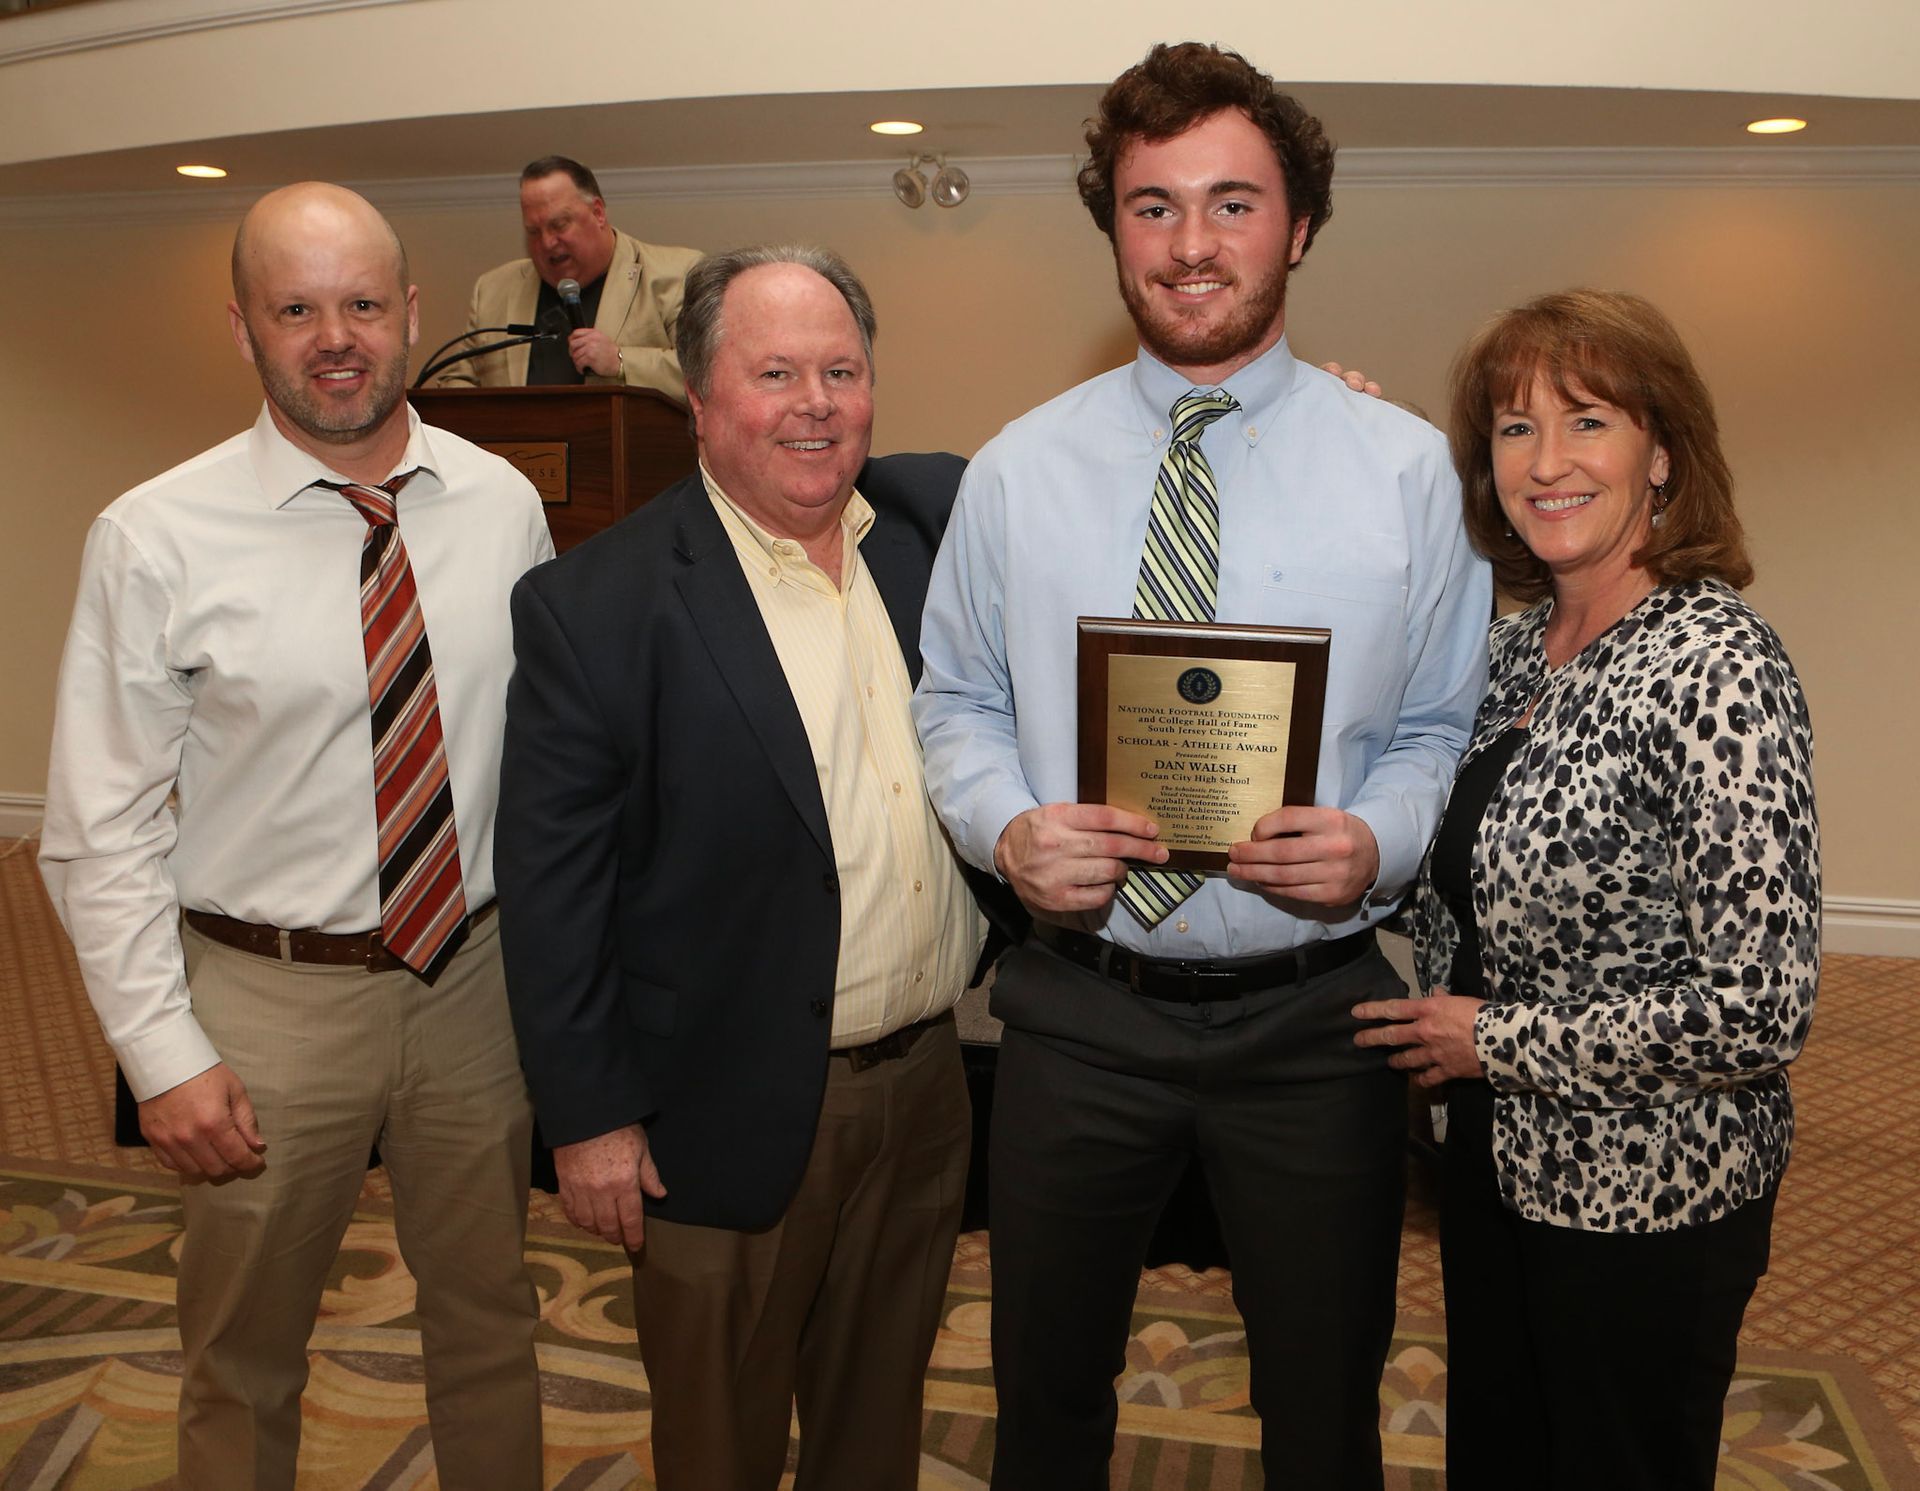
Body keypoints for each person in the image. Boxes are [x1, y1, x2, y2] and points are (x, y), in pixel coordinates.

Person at [912, 41, 1491, 1490]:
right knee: (1042, 1393)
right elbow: (958, 703)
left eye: (1233, 204)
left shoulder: (1408, 469)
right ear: (1111, 225)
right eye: (1152, 204)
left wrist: (1377, 840)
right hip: (1079, 1009)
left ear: (1299, 226)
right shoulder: (1014, 470)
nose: (1189, 242)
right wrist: (1005, 826)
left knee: (1321, 1402)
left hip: (1316, 1020)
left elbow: (1437, 728)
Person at [36, 183, 549, 1491]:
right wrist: (161, 1054)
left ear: (411, 313)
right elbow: (97, 828)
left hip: (474, 986)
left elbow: (548, 755)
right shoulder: (154, 536)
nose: (337, 335)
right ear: (243, 326)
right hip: (265, 1004)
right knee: (243, 1351)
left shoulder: (502, 506)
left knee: (493, 1324)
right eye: (298, 306)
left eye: (365, 303)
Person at [494, 244, 1022, 1491]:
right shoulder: (596, 607)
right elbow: (554, 892)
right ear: (698, 394)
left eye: (842, 369)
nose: (815, 403)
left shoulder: (929, 535)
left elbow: (1103, 496)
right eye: (774, 371)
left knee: (874, 1424)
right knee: (721, 1444)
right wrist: (590, 1122)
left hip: (925, 1089)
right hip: (714, 1109)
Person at [1353, 288, 1819, 1490]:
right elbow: (1456, 883)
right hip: (1495, 1166)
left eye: (1588, 422)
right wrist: (1349, 451)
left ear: (1662, 454)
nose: (1547, 463)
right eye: (1514, 429)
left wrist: (1495, 1041)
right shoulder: (1510, 654)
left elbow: (1762, 1002)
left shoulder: (1718, 664)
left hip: (1650, 1198)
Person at [433, 154, 701, 401]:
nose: (548, 242)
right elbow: (456, 380)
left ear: (597, 212)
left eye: (559, 225)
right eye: (534, 232)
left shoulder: (678, 274)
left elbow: (707, 376)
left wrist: (621, 361)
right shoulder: (492, 290)